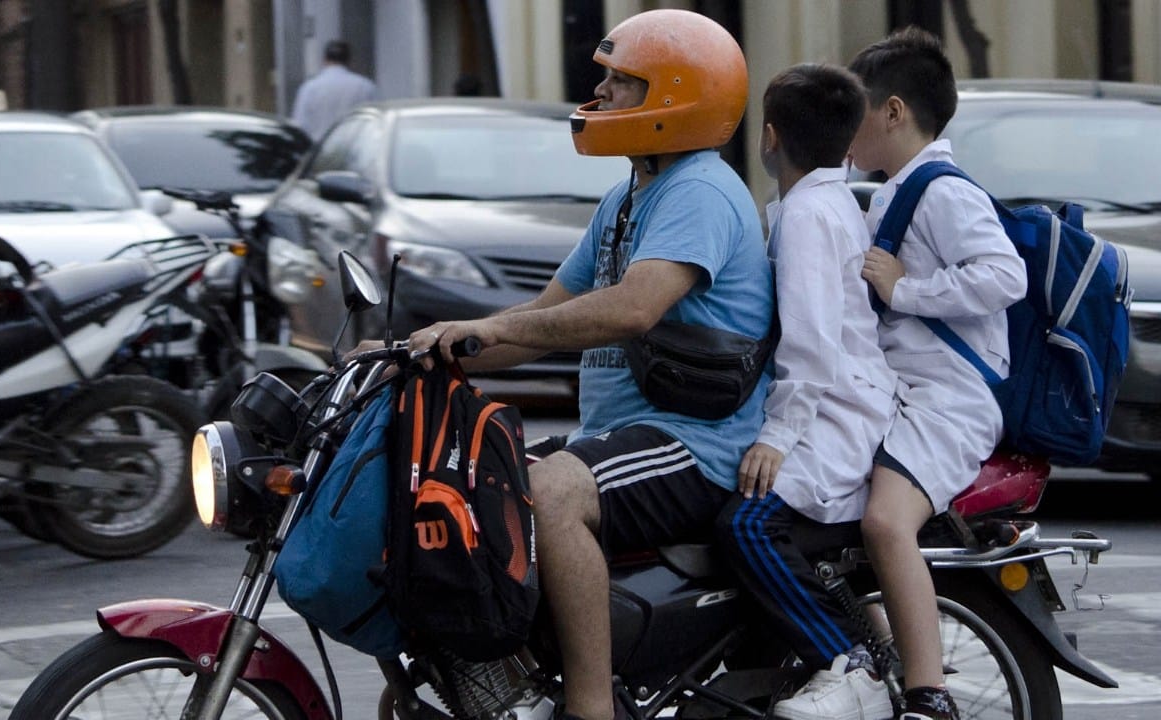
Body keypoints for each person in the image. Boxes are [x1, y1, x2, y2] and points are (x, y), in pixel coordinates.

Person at [407, 10, 770, 720]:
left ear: (673, 99)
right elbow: (538, 324)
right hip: (627, 434)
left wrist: (480, 330)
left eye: (619, 82)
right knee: (477, 485)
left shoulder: (697, 190)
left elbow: (634, 307)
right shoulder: (627, 197)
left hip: (697, 445)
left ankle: (591, 705)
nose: (598, 94)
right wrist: (428, 349)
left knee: (547, 492)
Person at [847, 27, 1027, 720]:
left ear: (894, 112)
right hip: (907, 395)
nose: (846, 130)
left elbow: (1002, 275)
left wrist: (905, 291)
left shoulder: (943, 191)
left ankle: (929, 693)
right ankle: (879, 662)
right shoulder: (896, 189)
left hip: (949, 400)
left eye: (856, 110)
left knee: (887, 525)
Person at [715, 63, 897, 720]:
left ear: (768, 137)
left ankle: (850, 663)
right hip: (839, 402)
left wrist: (778, 436)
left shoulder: (808, 215)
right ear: (848, 142)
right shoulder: (822, 204)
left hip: (833, 415)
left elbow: (813, 340)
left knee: (747, 523)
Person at [291, 39, 376, 143]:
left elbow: (300, 126)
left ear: (325, 60)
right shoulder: (365, 86)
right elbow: (375, 123)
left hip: (320, 152)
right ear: (349, 60)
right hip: (355, 150)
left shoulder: (309, 88)